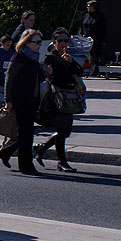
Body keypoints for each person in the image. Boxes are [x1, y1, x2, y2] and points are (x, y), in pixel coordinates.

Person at [0, 29, 44, 176]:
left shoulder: (34, 57)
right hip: (20, 100)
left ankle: (6, 153)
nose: (39, 45)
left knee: (24, 133)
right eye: (36, 42)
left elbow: (37, 78)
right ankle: (26, 165)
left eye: (40, 42)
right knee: (26, 134)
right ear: (27, 42)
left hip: (31, 99)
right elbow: (9, 79)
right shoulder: (19, 57)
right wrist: (8, 100)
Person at [35, 27, 82, 173]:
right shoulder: (51, 57)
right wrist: (64, 64)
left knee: (65, 131)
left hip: (69, 98)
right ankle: (62, 162)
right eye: (60, 41)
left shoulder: (68, 57)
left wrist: (71, 62)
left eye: (66, 40)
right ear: (54, 42)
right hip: (56, 98)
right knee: (63, 130)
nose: (64, 43)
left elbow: (79, 72)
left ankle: (42, 149)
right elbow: (53, 75)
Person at [81, 0, 108, 76]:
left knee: (97, 54)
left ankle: (98, 70)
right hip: (87, 38)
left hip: (97, 38)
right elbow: (84, 25)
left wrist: (104, 40)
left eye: (89, 6)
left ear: (93, 7)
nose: (87, 7)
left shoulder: (99, 16)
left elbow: (103, 29)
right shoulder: (86, 15)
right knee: (90, 54)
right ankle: (92, 68)